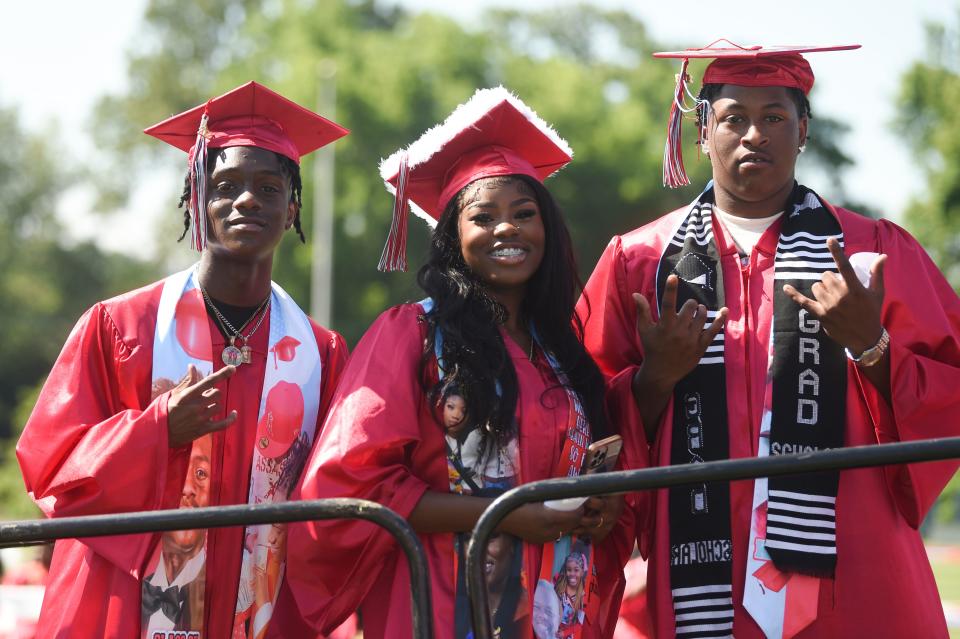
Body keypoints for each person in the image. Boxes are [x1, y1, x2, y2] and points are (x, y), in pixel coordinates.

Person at [581, 40, 960, 638]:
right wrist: (653, 379)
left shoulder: (872, 253)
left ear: (803, 130)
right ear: (702, 132)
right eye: (733, 118)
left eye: (775, 118)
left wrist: (872, 346)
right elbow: (580, 421)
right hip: (700, 561)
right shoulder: (641, 262)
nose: (753, 134)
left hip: (852, 561)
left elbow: (950, 395)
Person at [275, 87, 633, 639]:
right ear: (453, 238)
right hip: (441, 605)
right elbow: (352, 486)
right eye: (482, 217)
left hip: (554, 609)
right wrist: (505, 514)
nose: (506, 229)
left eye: (524, 214)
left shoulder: (562, 349)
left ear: (548, 229)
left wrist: (600, 508)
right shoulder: (413, 334)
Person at [16, 81, 350, 639]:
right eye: (225, 186)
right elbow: (52, 468)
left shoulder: (320, 353)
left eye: (268, 187)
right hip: (127, 604)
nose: (247, 200)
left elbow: (341, 495)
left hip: (265, 610)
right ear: (197, 199)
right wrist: (158, 429)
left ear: (292, 205)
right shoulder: (121, 327)